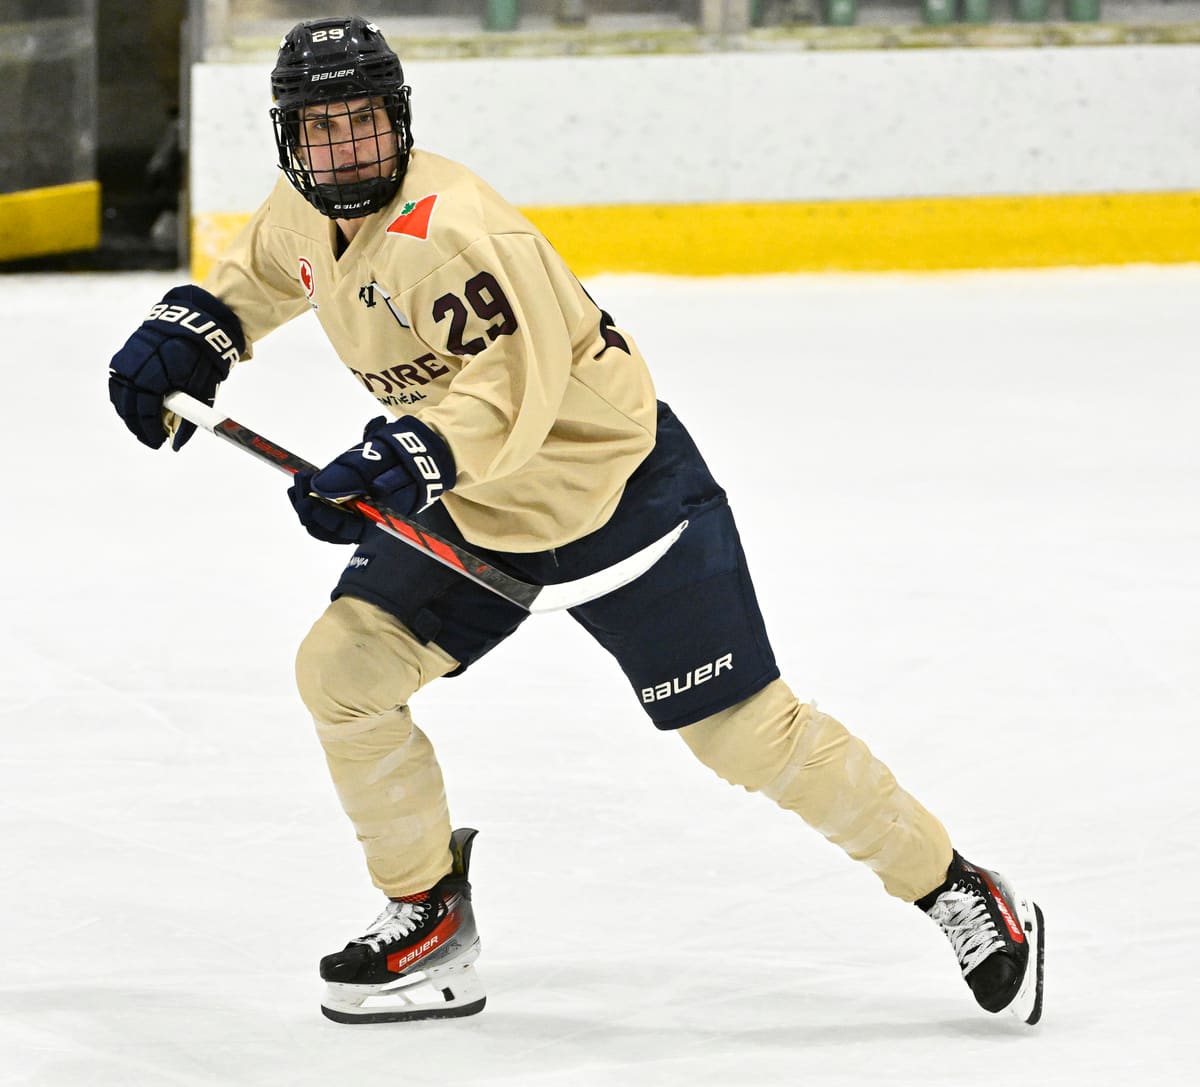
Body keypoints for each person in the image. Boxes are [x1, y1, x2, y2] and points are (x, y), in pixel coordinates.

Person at [107, 16, 1045, 1026]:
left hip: (617, 500)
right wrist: (201, 329)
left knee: (749, 739)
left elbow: (513, 396)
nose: (346, 149)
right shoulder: (305, 210)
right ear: (290, 139)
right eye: (322, 129)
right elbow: (265, 273)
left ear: (400, 122)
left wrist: (402, 457)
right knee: (343, 673)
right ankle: (427, 910)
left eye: (365, 123)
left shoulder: (457, 229)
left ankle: (955, 887)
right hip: (468, 513)